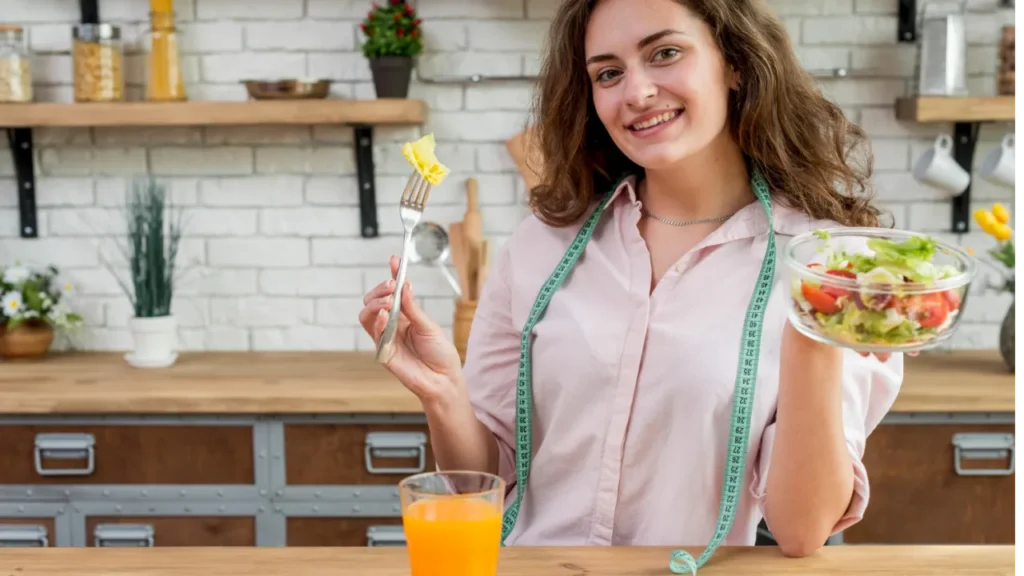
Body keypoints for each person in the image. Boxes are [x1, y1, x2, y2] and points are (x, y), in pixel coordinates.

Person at [359, 0, 903, 564]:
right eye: (608, 73)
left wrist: (813, 333)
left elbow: (802, 529)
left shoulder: (829, 265)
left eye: (665, 53)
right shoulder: (543, 245)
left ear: (734, 62)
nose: (637, 92)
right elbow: (488, 478)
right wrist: (444, 392)